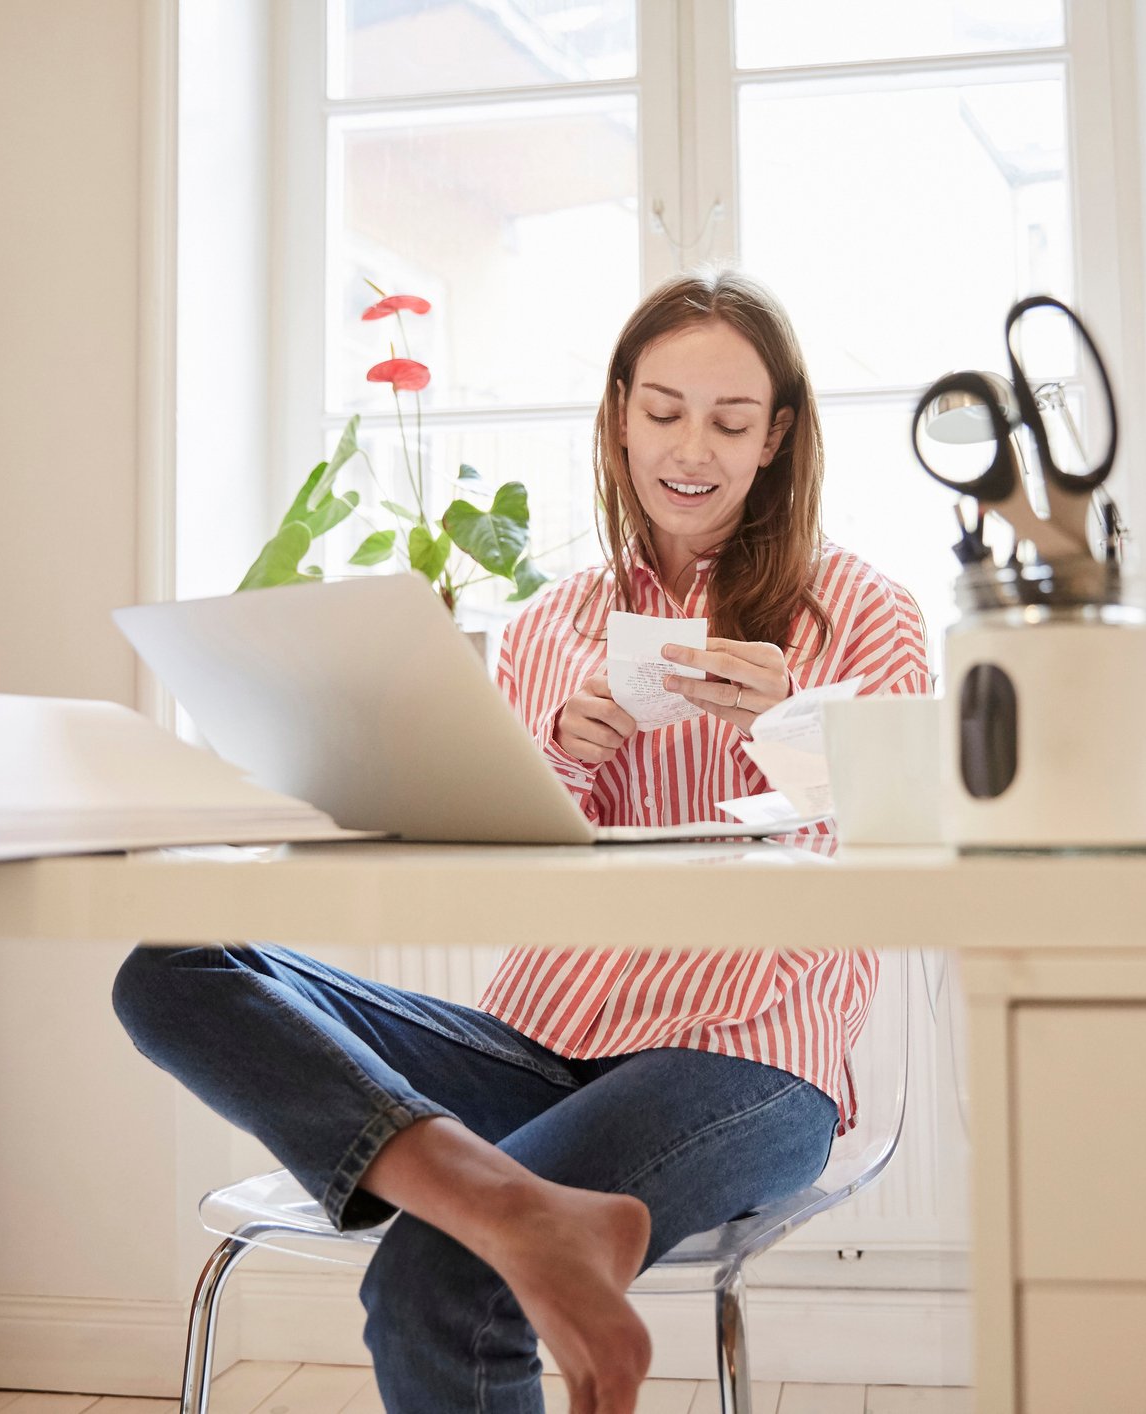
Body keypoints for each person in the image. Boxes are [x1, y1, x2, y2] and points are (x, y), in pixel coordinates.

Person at [112, 268, 930, 1414]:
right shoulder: (548, 627)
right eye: (663, 411)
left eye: (731, 420)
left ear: (777, 437)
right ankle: (503, 1201)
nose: (691, 447)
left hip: (749, 1054)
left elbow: (900, 848)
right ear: (616, 415)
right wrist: (557, 755)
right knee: (171, 966)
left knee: (440, 1273)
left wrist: (796, 729)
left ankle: (488, 1217)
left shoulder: (865, 615)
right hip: (541, 1043)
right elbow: (499, 864)